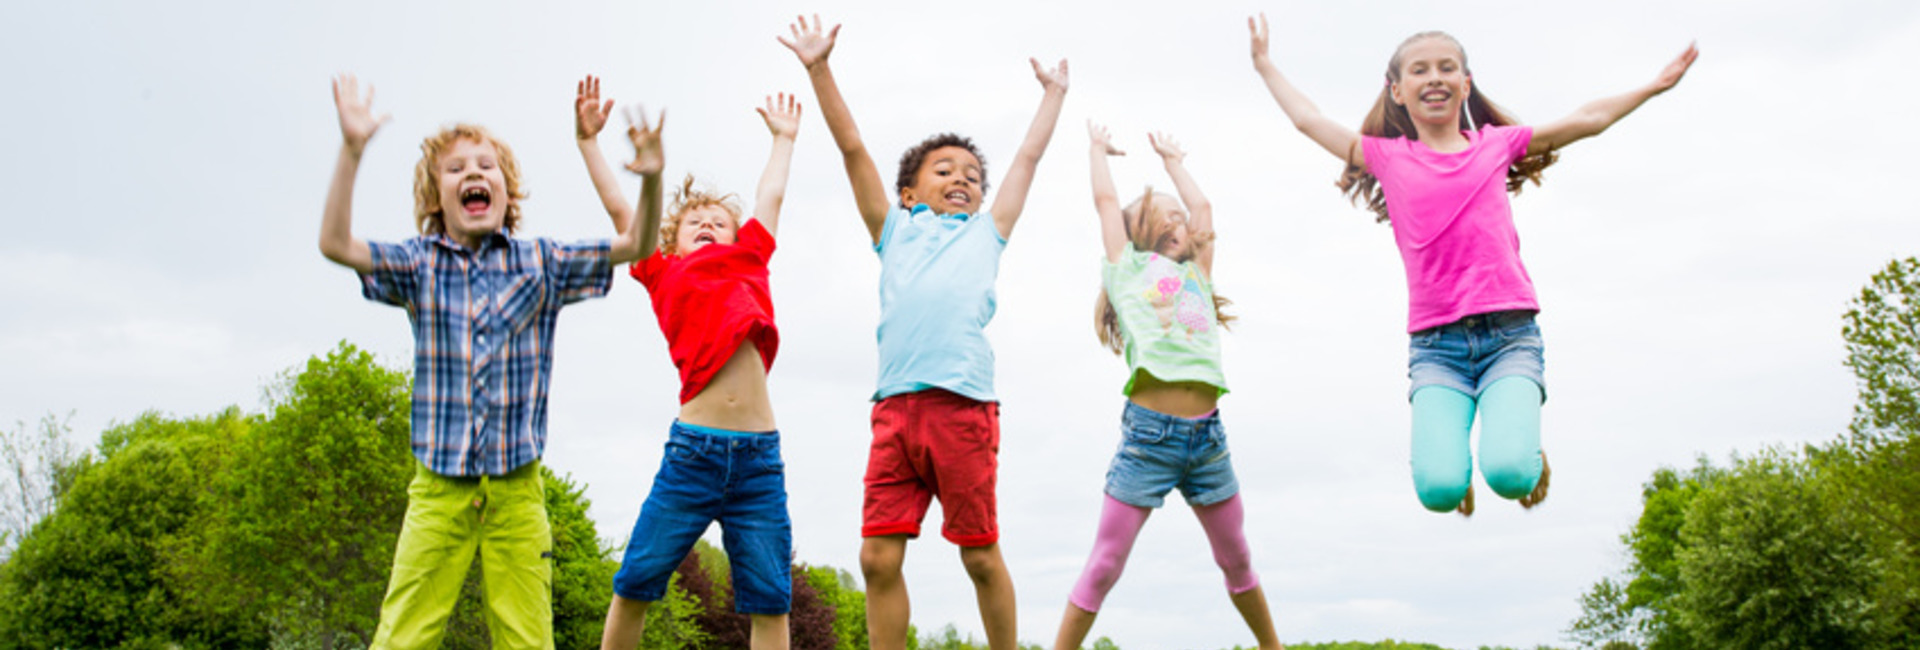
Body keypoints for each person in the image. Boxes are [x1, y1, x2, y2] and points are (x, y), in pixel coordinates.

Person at [1246, 15, 1698, 515]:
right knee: (1439, 492)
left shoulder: (1495, 145)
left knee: (1509, 475)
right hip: (1438, 348)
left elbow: (1586, 120)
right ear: (1396, 90)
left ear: (1466, 83)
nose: (1434, 77)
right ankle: (1456, 461)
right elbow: (1309, 120)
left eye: (1447, 68)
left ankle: (1524, 446)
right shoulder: (1386, 157)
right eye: (1419, 70)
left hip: (1510, 335)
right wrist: (1265, 66)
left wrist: (1654, 87)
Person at [317, 74, 657, 649]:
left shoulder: (541, 262)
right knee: (403, 635)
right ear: (435, 199)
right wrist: (351, 151)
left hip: (517, 492)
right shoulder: (418, 264)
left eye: (485, 166)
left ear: (507, 191)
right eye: (455, 169)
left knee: (526, 638)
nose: (472, 173)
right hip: (437, 490)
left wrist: (652, 180)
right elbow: (336, 244)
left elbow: (637, 246)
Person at [779, 14, 1068, 650]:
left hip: (961, 409)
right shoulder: (894, 230)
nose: (962, 177)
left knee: (980, 556)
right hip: (893, 413)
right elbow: (853, 147)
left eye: (971, 173)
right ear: (909, 191)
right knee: (877, 560)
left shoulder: (987, 235)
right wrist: (819, 68)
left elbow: (1027, 157)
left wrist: (1053, 95)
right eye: (944, 170)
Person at [1051, 123, 1283, 650]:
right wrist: (1095, 151)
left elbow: (1204, 211)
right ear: (1142, 230)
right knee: (1107, 562)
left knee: (1237, 557)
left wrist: (1174, 162)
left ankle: (1273, 646)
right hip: (1147, 441)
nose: (1181, 221)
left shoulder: (1198, 273)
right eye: (1166, 215)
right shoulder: (1127, 269)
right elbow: (1106, 201)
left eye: (1180, 217)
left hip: (1208, 442)